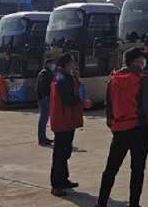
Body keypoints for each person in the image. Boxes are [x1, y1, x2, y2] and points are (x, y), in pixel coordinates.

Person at [94, 47, 148, 207]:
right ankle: (134, 204)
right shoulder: (143, 80)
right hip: (139, 128)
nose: (144, 62)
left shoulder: (113, 79)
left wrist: (113, 125)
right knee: (137, 169)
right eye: (142, 59)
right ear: (137, 61)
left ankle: (101, 203)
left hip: (120, 129)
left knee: (111, 168)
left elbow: (109, 107)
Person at [49, 53, 90, 197]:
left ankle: (63, 179)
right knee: (60, 153)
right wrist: (82, 102)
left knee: (65, 152)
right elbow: (67, 100)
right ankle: (56, 185)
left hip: (66, 120)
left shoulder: (66, 77)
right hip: (63, 121)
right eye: (72, 62)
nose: (74, 65)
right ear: (66, 64)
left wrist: (76, 78)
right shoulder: (62, 79)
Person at [36, 58, 56, 146]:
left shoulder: (48, 73)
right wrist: (46, 96)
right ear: (48, 64)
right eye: (52, 63)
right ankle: (42, 139)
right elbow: (43, 87)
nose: (54, 65)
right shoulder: (44, 73)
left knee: (44, 119)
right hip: (44, 99)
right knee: (43, 119)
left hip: (45, 98)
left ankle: (43, 137)